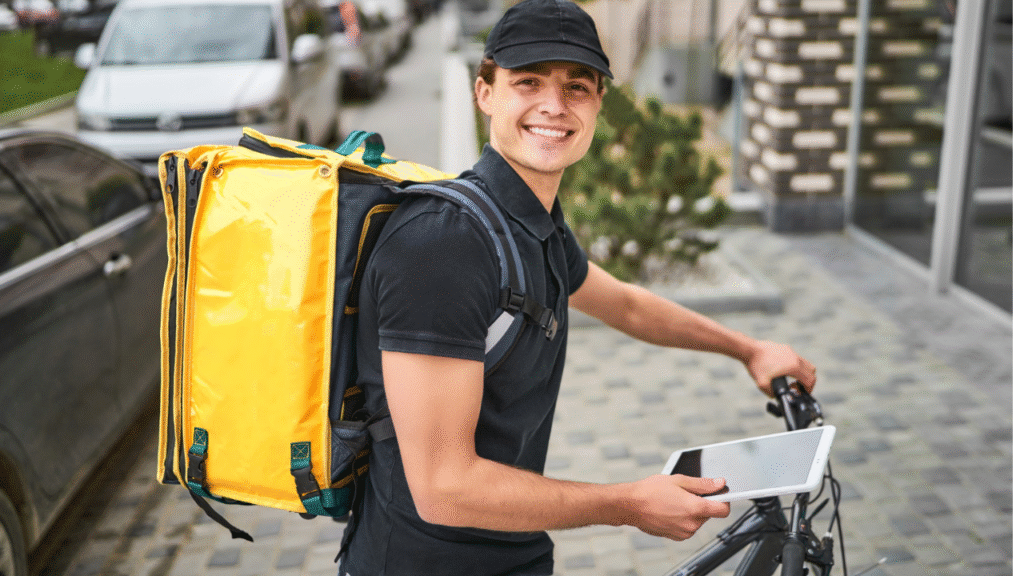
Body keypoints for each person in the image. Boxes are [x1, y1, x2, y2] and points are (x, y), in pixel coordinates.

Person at [337, 0, 817, 574]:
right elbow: (445, 487)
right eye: (528, 81)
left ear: (597, 105)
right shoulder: (443, 245)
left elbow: (627, 305)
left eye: (578, 87)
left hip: (512, 550)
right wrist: (627, 504)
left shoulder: (528, 221)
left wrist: (748, 348)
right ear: (484, 91)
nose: (554, 107)